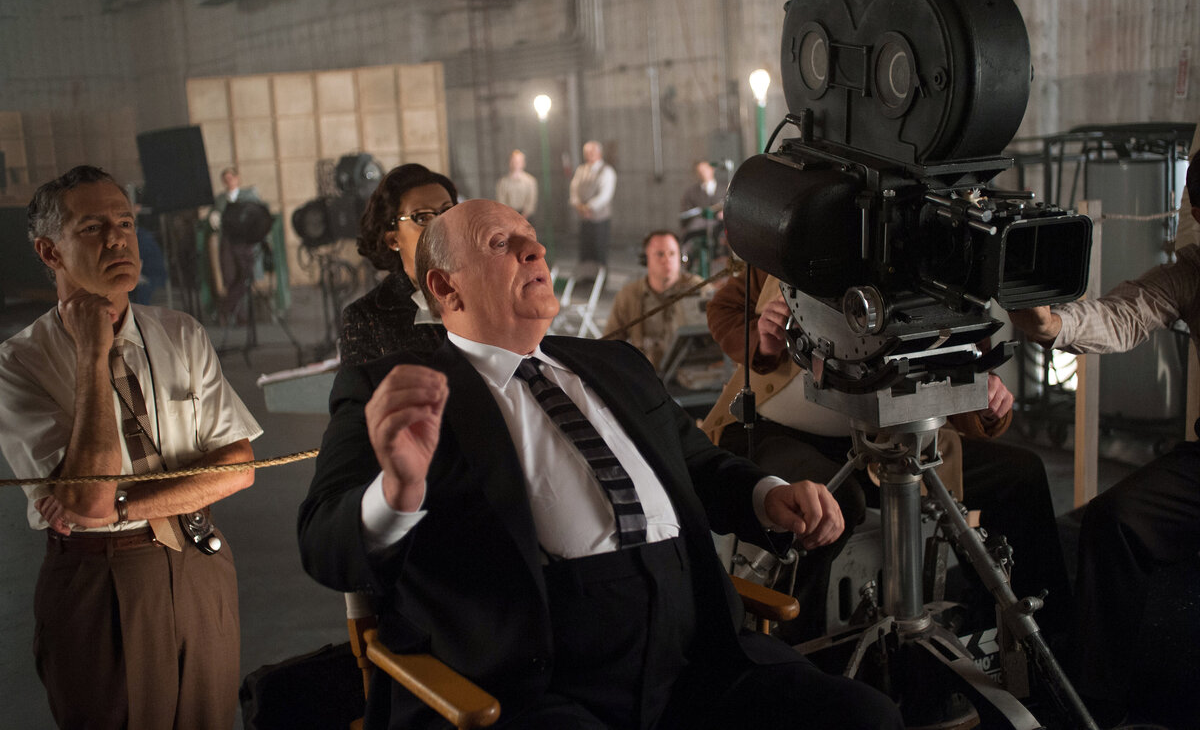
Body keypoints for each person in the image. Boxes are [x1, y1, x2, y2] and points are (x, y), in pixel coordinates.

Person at [297, 199, 903, 730]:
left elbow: (695, 462)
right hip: (537, 686)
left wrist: (766, 495)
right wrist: (397, 490)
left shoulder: (616, 363)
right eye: (501, 243)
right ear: (446, 287)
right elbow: (325, 543)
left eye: (533, 237)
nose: (535, 249)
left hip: (702, 659)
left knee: (866, 717)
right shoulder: (392, 389)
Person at [0, 165, 261, 728]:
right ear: (49, 252)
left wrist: (123, 505)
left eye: (124, 222)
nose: (118, 239)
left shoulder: (181, 333)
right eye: (93, 228)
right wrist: (92, 355)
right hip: (101, 580)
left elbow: (238, 467)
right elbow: (87, 502)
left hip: (198, 559)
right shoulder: (18, 362)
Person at [703, 267, 1071, 643]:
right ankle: (790, 647)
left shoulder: (938, 271)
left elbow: (963, 362)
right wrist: (761, 339)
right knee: (827, 505)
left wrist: (987, 400)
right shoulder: (786, 254)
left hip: (887, 437)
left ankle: (1030, 639)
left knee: (1020, 475)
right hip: (774, 431)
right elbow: (723, 309)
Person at [1007, 156, 1200, 726]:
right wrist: (1052, 325)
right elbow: (1123, 315)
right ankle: (1095, 703)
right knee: (1113, 520)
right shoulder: (1191, 272)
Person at [339, 163, 459, 366]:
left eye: (447, 211)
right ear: (393, 239)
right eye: (422, 217)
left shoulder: (487, 289)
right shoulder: (367, 318)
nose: (441, 224)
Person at [604, 230, 706, 370]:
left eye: (672, 254)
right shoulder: (630, 295)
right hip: (644, 373)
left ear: (681, 258)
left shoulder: (699, 289)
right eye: (660, 254)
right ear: (646, 260)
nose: (666, 260)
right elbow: (609, 344)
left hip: (689, 371)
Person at [210, 166, 265, 324]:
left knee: (245, 276)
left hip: (244, 241)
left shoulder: (248, 195)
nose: (229, 181)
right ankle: (237, 314)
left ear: (237, 178)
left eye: (231, 178)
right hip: (228, 241)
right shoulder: (221, 199)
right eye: (225, 179)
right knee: (230, 276)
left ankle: (227, 309)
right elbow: (214, 217)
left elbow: (259, 213)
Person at [568, 140, 616, 270]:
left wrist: (589, 207)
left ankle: (601, 278)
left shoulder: (607, 171)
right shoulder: (581, 169)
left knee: (599, 251)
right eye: (587, 152)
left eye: (592, 152)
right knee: (585, 251)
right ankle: (585, 276)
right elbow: (574, 189)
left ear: (599, 153)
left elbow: (605, 195)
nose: (589, 154)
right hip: (584, 218)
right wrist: (578, 205)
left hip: (600, 219)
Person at [495, 149, 538, 220]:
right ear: (510, 162)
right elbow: (501, 202)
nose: (516, 163)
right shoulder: (502, 182)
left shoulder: (530, 181)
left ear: (523, 163)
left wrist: (523, 217)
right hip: (508, 217)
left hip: (526, 219)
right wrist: (509, 216)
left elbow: (531, 203)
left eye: (518, 161)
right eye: (514, 161)